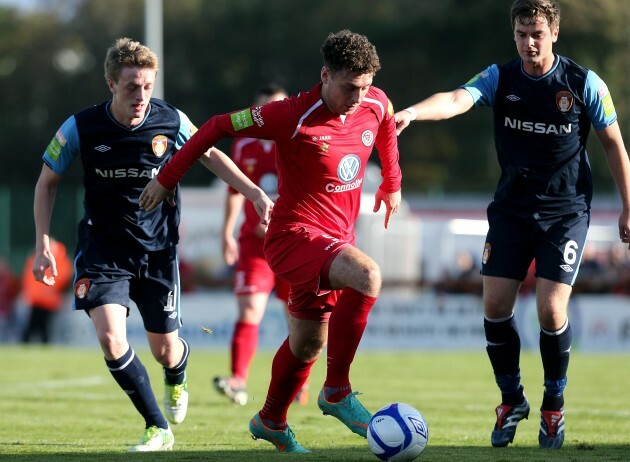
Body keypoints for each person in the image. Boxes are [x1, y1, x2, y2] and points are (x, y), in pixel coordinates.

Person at [140, 29, 402, 453]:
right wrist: (167, 177)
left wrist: (393, 182)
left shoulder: (375, 101)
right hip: (292, 237)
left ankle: (271, 420)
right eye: (350, 87)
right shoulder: (289, 113)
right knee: (368, 275)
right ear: (325, 75)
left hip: (335, 238)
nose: (359, 96)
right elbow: (215, 127)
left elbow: (387, 121)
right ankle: (337, 390)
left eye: (366, 86)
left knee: (307, 342)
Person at [395, 0, 630, 450]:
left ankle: (553, 406)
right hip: (511, 209)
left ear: (554, 33)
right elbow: (456, 99)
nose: (528, 43)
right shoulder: (500, 77)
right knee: (495, 307)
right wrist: (413, 112)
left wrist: (628, 206)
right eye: (521, 34)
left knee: (549, 310)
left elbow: (614, 146)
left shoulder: (584, 84)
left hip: (566, 212)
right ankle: (512, 399)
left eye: (537, 33)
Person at [33, 37, 273, 452]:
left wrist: (252, 192)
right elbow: (46, 182)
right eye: (131, 87)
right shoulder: (80, 127)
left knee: (165, 350)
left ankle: (177, 372)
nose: (141, 96)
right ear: (111, 84)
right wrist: (41, 243)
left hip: (157, 252)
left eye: (147, 86)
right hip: (103, 252)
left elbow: (210, 154)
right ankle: (157, 428)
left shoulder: (171, 120)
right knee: (111, 339)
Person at [212, 83, 309, 407]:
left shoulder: (301, 140)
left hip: (294, 244)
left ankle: (299, 382)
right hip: (256, 247)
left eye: (278, 108)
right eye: (265, 109)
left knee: (296, 317)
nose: (271, 115)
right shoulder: (243, 146)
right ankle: (238, 380)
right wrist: (227, 232)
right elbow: (234, 191)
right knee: (250, 309)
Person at [21, 238, 72, 344]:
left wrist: (49, 289)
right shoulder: (35, 259)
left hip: (50, 302)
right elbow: (28, 279)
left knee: (45, 329)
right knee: (31, 328)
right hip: (36, 300)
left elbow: (63, 280)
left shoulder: (62, 261)